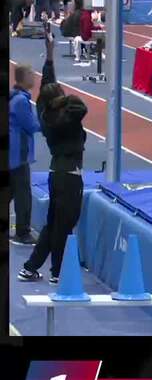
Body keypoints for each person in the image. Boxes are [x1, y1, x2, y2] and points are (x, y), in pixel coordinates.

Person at [18, 48, 88, 285]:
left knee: (55, 223)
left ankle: (32, 268)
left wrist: (49, 57)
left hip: (56, 173)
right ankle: (57, 272)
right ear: (60, 98)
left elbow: (46, 89)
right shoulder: (67, 118)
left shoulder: (44, 113)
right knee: (65, 225)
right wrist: (63, 96)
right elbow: (81, 106)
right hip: (69, 176)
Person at [10, 61, 45, 246]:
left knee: (12, 190)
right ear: (24, 79)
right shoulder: (21, 101)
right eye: (31, 74)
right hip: (18, 155)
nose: (35, 76)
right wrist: (47, 123)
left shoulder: (15, 97)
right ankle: (22, 232)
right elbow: (31, 125)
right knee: (23, 194)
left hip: (14, 153)